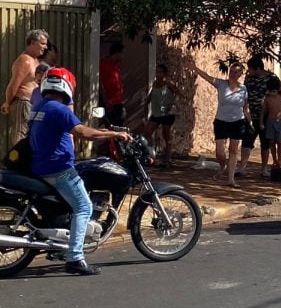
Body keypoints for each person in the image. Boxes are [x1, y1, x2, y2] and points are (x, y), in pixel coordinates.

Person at [29, 67, 131, 275]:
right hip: (58, 169)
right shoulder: (60, 109)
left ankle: (62, 247)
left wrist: (102, 132)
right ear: (67, 87)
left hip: (41, 165)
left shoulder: (41, 106)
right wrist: (113, 134)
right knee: (83, 207)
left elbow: (71, 129)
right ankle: (75, 258)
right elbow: (82, 132)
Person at [194, 62, 251, 188]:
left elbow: (245, 108)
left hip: (238, 121)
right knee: (219, 151)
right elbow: (207, 76)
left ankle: (231, 179)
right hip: (221, 121)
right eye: (231, 71)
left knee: (234, 150)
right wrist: (195, 68)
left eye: (236, 72)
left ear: (241, 74)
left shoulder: (243, 89)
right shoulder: (221, 84)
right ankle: (222, 165)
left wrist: (249, 120)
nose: (233, 73)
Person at [239, 56, 281, 178]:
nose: (249, 71)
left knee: (265, 143)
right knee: (247, 141)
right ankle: (242, 167)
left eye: (251, 69)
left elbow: (280, 95)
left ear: (258, 68)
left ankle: (264, 169)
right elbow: (245, 94)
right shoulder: (249, 79)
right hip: (252, 115)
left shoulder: (271, 78)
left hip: (267, 117)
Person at [2, 28, 48, 144]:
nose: (45, 47)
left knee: (31, 136)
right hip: (23, 103)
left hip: (34, 104)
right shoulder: (25, 60)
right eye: (42, 44)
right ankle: (18, 161)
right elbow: (14, 84)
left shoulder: (35, 61)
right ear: (32, 43)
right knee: (21, 135)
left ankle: (29, 161)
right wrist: (7, 102)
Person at [144, 63, 178, 166]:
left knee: (166, 136)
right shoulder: (154, 83)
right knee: (147, 133)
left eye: (160, 72)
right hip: (156, 113)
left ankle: (167, 160)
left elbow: (177, 93)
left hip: (167, 114)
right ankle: (152, 157)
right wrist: (146, 102)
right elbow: (150, 96)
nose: (158, 74)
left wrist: (172, 105)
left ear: (165, 73)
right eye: (157, 72)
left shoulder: (168, 84)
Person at [261, 77, 281, 169]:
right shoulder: (267, 98)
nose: (273, 93)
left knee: (279, 142)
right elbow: (263, 111)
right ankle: (275, 160)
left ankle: (279, 160)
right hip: (270, 122)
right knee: (271, 142)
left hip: (279, 122)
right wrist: (261, 123)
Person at [99, 42, 126, 126]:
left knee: (120, 124)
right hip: (110, 103)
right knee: (111, 127)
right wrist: (106, 101)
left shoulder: (116, 65)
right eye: (122, 53)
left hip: (118, 101)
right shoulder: (104, 64)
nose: (123, 56)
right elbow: (100, 84)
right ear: (117, 53)